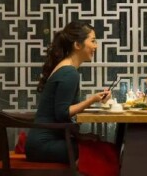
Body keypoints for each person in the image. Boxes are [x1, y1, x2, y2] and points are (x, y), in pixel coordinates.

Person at [25, 21, 118, 175]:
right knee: (103, 152)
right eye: (93, 41)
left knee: (99, 146)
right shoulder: (69, 72)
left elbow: (62, 114)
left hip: (43, 143)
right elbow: (62, 113)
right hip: (43, 146)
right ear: (77, 45)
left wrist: (80, 135)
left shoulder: (66, 68)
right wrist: (92, 100)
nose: (96, 46)